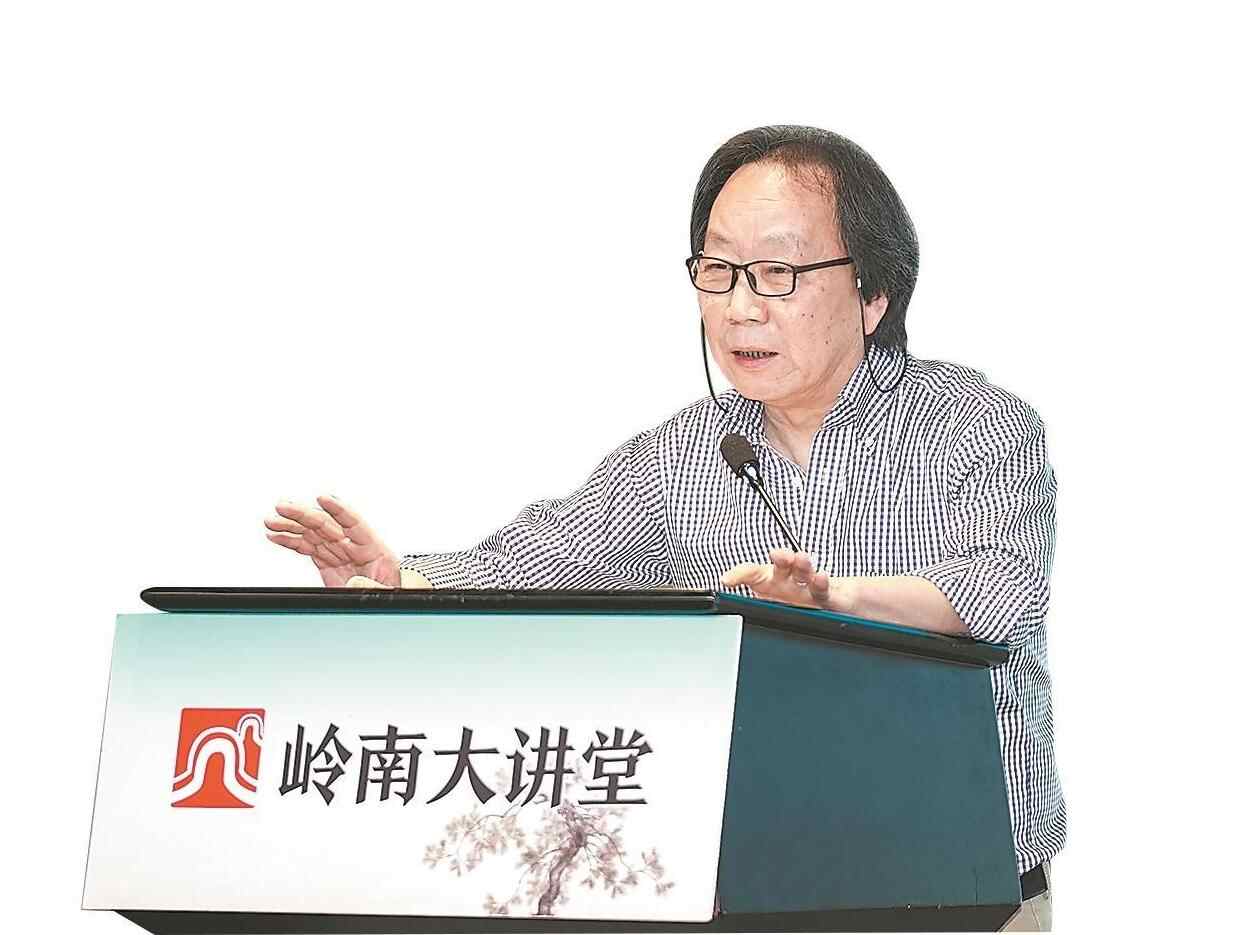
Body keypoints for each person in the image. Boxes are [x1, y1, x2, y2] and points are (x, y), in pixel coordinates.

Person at [265, 126, 1063, 930]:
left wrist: (835, 601)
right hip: (759, 891)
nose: (740, 307)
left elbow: (999, 590)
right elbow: (540, 559)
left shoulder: (978, 426)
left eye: (778, 272)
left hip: (962, 892)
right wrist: (398, 582)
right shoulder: (680, 455)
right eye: (718, 270)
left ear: (873, 291)